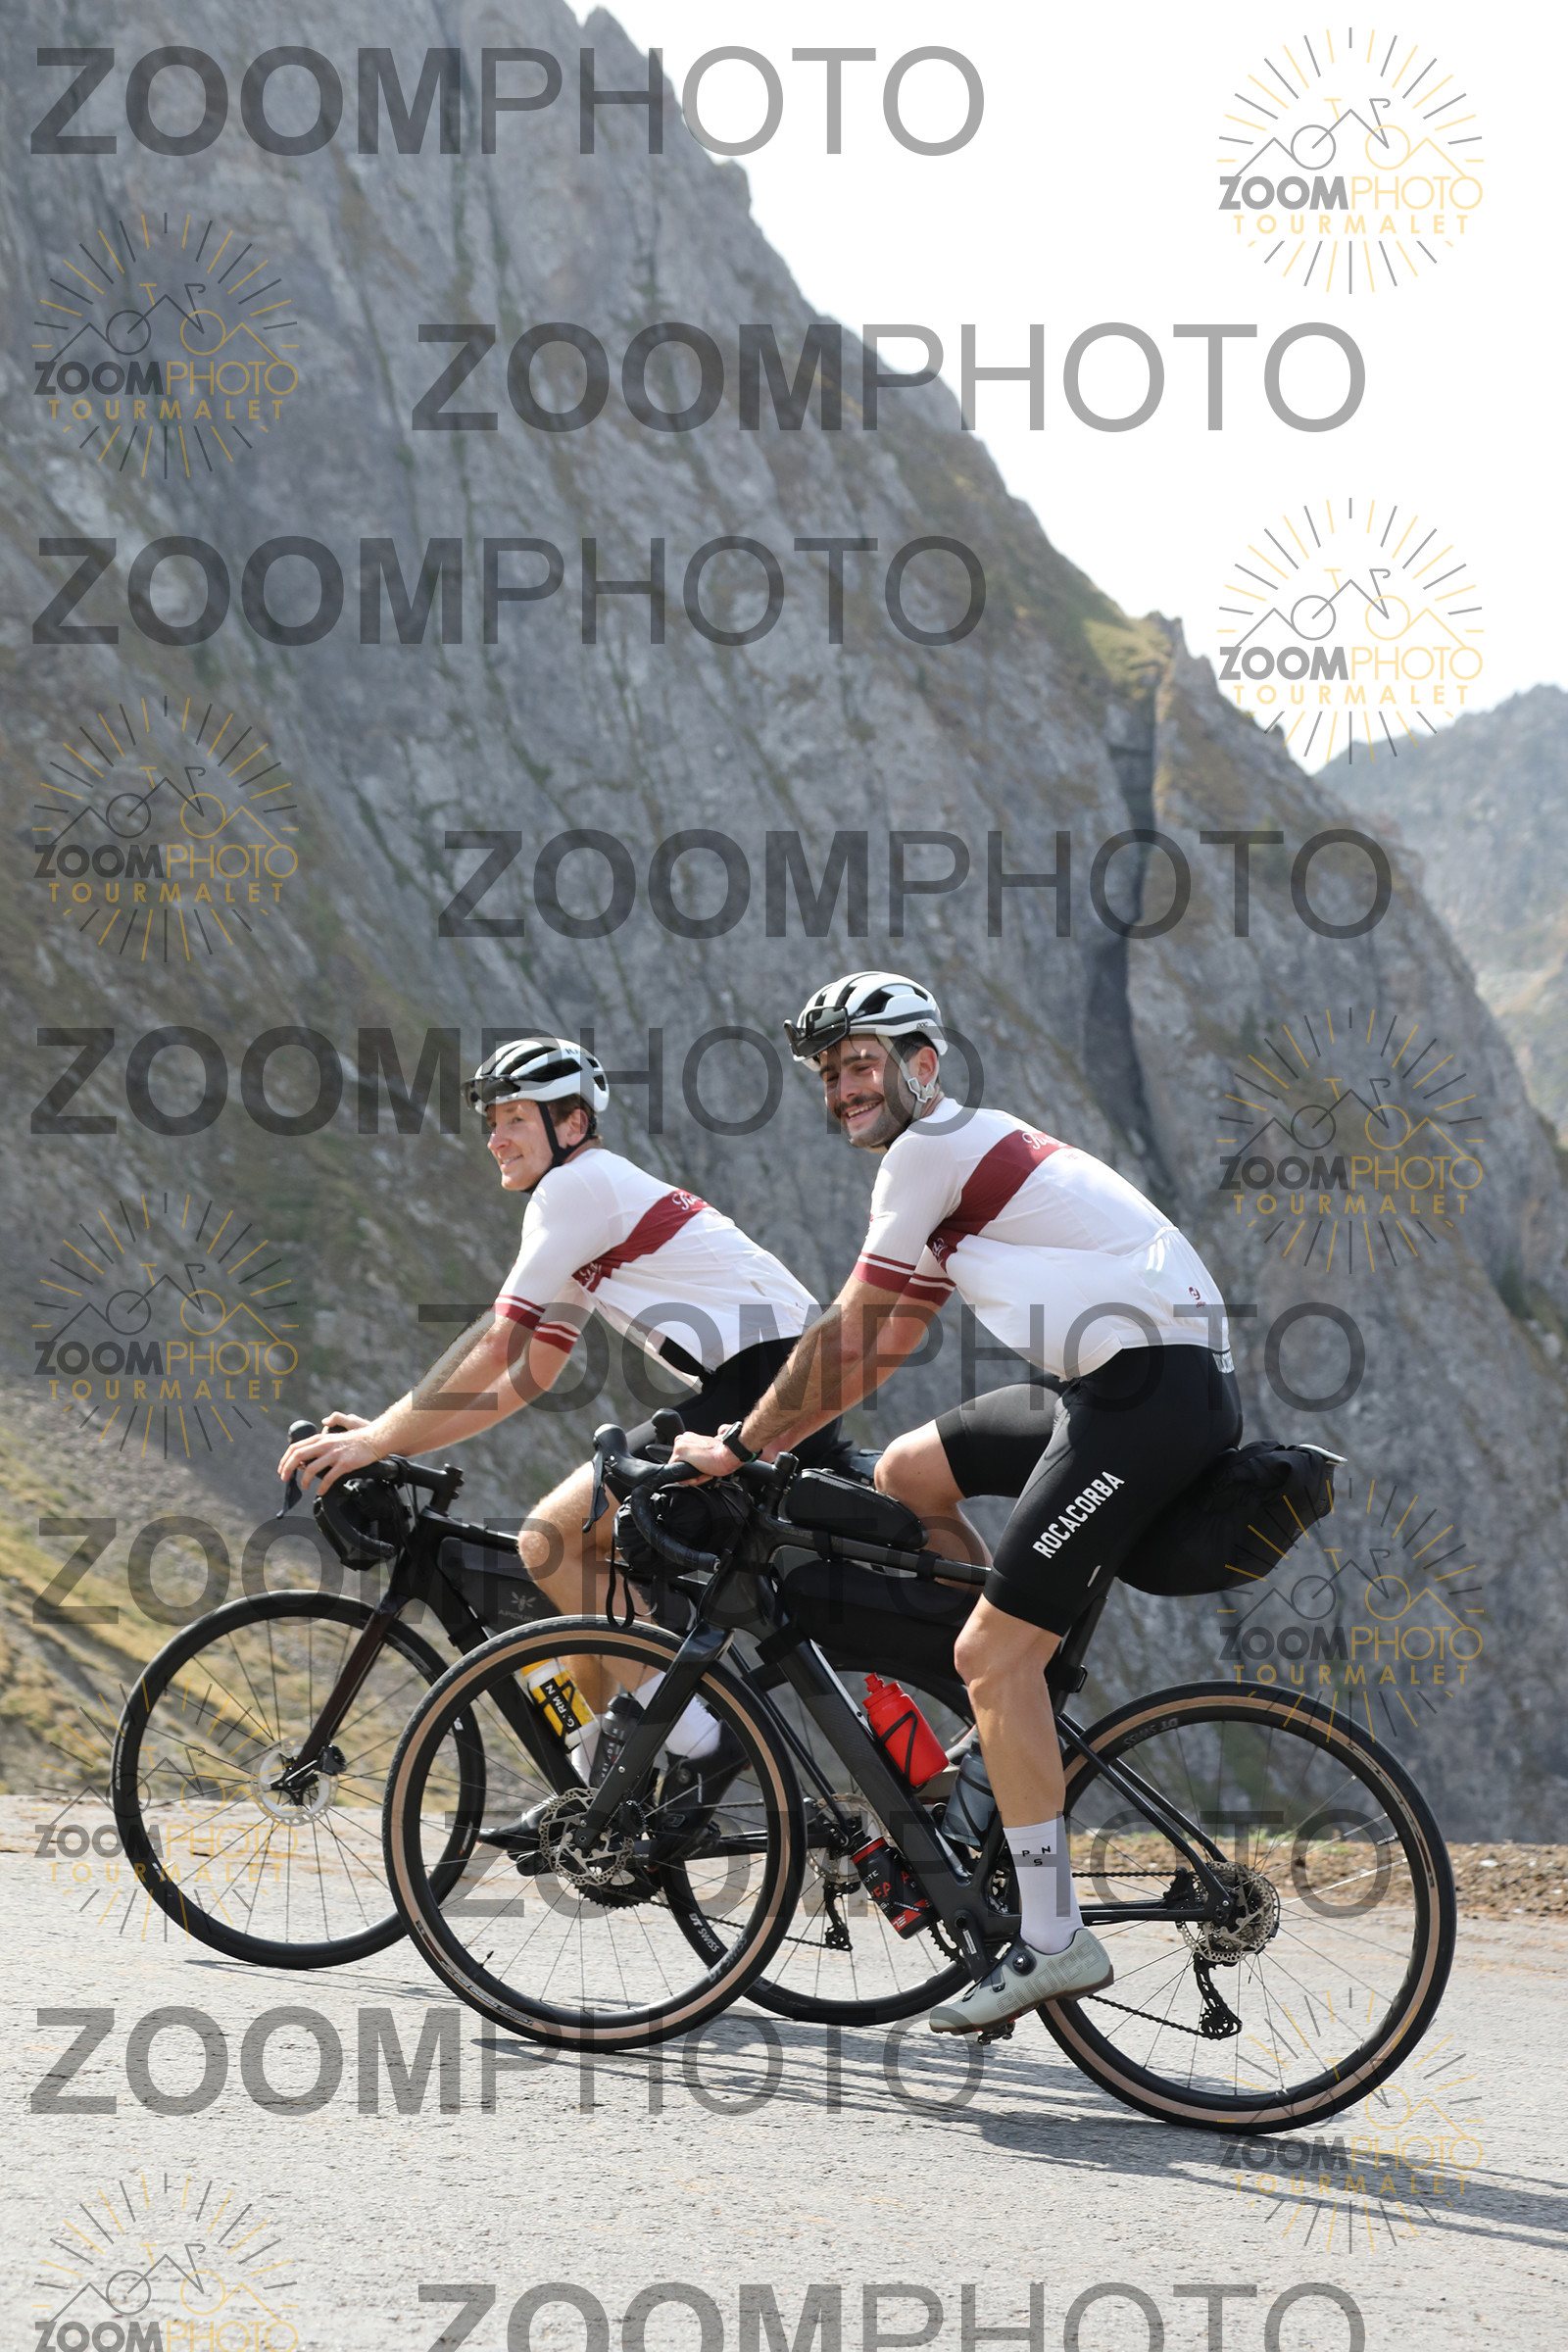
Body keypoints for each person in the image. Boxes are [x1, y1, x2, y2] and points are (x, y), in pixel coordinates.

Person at [673, 971, 1242, 2034]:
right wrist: (773, 1438)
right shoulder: (954, 1162)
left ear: (920, 1064)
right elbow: (886, 1342)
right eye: (828, 1074)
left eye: (860, 1064)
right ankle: (1003, 1692)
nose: (843, 1088)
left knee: (991, 1655)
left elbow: (850, 1328)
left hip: (1148, 1396)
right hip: (1119, 1385)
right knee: (907, 1473)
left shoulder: (929, 1151)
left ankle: (1052, 1934)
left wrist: (743, 1444)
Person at [277, 1033, 853, 1799]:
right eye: (492, 1120)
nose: (496, 1137)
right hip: (776, 1379)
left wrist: (380, 1437)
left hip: (765, 1382)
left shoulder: (574, 1191)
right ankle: (591, 1792)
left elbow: (498, 1339)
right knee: (582, 1573)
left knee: (550, 1540)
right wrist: (390, 1438)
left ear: (573, 1124)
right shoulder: (594, 1199)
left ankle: (705, 1745)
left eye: (516, 1117)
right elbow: (528, 1375)